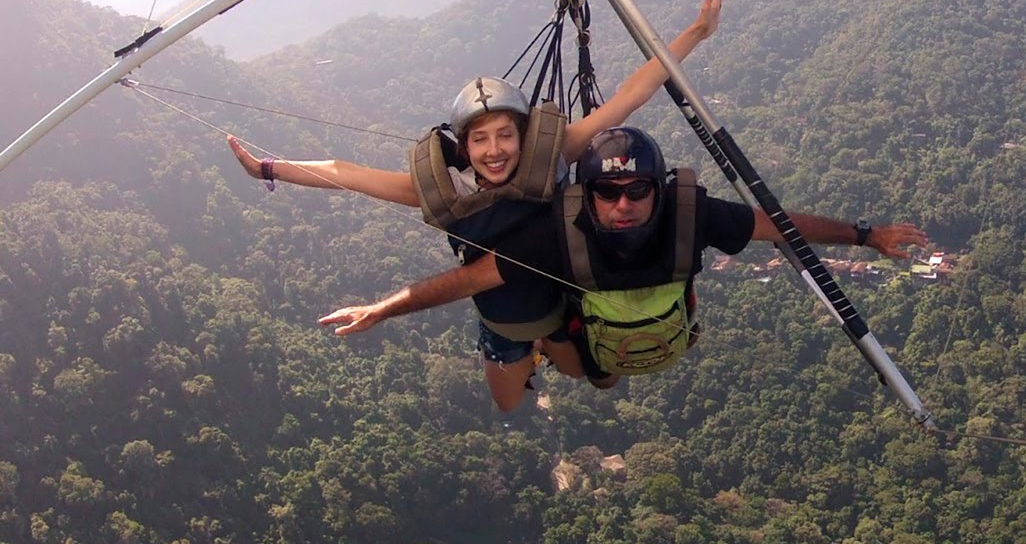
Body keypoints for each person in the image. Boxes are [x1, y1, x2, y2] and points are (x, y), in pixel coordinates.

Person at [230, 0, 724, 409]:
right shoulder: (447, 192)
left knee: (595, 375)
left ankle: (554, 347)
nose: (494, 151)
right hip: (503, 318)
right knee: (508, 403)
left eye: (505, 136)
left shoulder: (551, 158)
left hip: (556, 303)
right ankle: (530, 354)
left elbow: (628, 96)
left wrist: (696, 33)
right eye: (481, 140)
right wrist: (268, 169)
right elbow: (347, 173)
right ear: (464, 146)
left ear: (523, 136)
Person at [319, 126, 928, 402]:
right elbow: (468, 279)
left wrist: (865, 235)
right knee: (592, 374)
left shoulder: (692, 215)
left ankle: (580, 354)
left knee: (600, 366)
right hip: (607, 339)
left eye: (638, 191)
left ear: (659, 190)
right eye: (608, 193)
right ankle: (567, 354)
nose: (623, 205)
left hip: (661, 332)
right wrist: (383, 309)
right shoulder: (560, 234)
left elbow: (783, 228)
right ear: (587, 194)